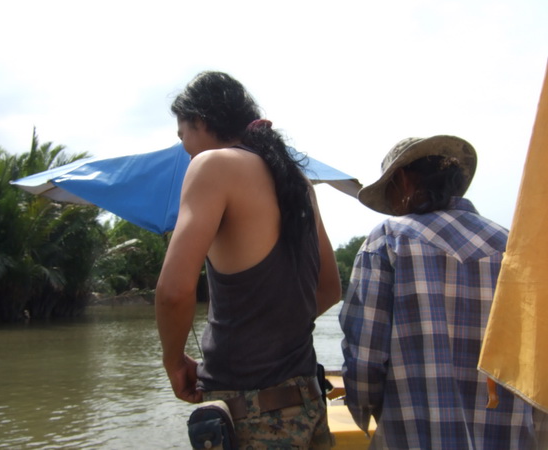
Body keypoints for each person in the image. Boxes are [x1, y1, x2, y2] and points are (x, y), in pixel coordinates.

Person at [156, 71, 341, 448]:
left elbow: (174, 291)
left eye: (183, 136)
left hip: (247, 413)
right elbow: (330, 289)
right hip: (308, 402)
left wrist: (174, 361)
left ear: (201, 121)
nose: (185, 148)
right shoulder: (298, 181)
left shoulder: (212, 166)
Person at [339, 135, 541, 449]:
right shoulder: (516, 249)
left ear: (404, 180)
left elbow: (364, 360)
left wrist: (366, 413)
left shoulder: (390, 240)